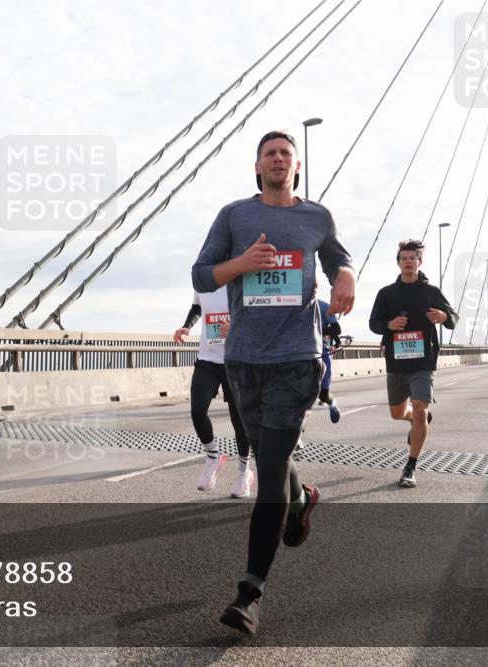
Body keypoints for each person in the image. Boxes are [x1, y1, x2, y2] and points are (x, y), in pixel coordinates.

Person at [191, 130, 355, 636]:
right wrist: (241, 264)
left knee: (270, 466)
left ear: (297, 166)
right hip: (242, 359)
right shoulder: (234, 216)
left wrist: (346, 275)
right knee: (268, 455)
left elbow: (338, 257)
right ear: (258, 166)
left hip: (296, 357)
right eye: (270, 154)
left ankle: (249, 594)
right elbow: (201, 276)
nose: (278, 159)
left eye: (286, 153)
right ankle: (303, 498)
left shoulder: (316, 217)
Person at [368, 239, 458, 488]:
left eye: (413, 258)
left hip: (424, 362)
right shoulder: (386, 294)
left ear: (420, 261)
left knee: (420, 407)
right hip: (396, 363)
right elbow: (374, 323)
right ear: (398, 263)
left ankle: (410, 466)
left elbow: (454, 318)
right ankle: (414, 420)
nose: (408, 262)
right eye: (404, 258)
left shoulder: (431, 292)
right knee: (398, 413)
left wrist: (444, 316)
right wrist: (388, 325)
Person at [173, 286, 253, 498]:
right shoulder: (202, 279)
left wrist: (236, 326)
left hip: (236, 359)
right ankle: (213, 457)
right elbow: (197, 307)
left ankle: (245, 472)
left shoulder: (241, 278)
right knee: (197, 411)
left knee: (239, 421)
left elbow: (257, 314)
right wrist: (186, 327)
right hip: (207, 359)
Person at [317, 297, 342, 423]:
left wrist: (316, 330)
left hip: (320, 350)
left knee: (323, 394)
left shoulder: (324, 306)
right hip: (295, 352)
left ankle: (332, 404)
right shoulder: (289, 303)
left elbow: (336, 329)